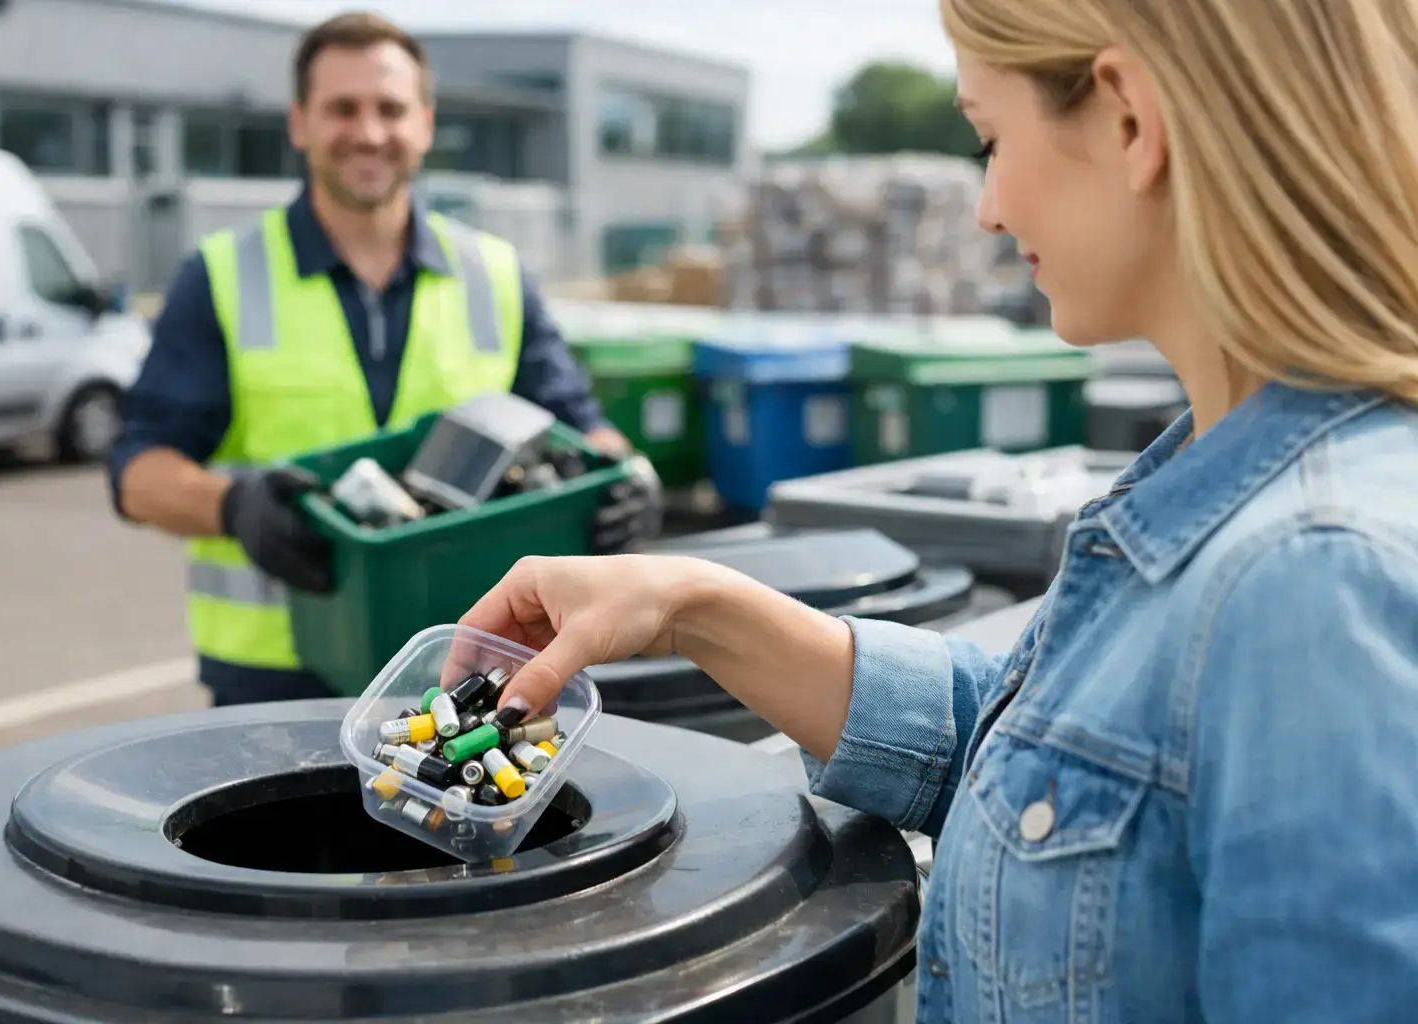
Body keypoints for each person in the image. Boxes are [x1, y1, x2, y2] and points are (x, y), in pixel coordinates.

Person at [458, 1, 1418, 1021]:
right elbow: (1031, 752)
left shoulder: (1314, 586)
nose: (986, 211)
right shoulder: (1218, 478)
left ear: (1131, 120)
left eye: (990, 138)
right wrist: (686, 601)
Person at [108, 11, 653, 707]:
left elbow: (582, 426)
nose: (368, 133)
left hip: (469, 668)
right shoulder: (220, 276)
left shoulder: (493, 275)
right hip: (277, 680)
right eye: (342, 109)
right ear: (300, 123)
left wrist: (628, 476)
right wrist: (234, 505)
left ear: (424, 123)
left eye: (390, 109)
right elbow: (137, 473)